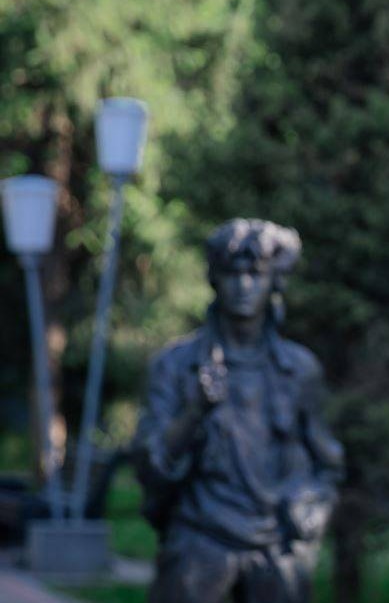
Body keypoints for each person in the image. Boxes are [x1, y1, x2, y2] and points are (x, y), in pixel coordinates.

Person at [133, 219, 344, 603]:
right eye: (232, 273)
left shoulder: (299, 369)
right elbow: (150, 464)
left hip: (275, 541)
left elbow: (326, 465)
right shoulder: (175, 365)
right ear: (215, 279)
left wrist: (313, 508)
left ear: (274, 282)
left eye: (255, 274)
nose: (243, 285)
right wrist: (195, 411)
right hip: (201, 534)